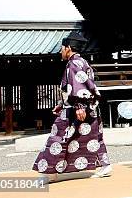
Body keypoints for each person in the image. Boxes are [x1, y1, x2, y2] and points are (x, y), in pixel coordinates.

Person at [33, 32, 111, 181]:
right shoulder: (82, 62)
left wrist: (79, 106)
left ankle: (50, 173)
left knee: (58, 137)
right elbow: (73, 88)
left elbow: (79, 87)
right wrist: (62, 104)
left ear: (68, 48)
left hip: (78, 108)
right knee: (91, 137)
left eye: (62, 48)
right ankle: (105, 165)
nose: (61, 51)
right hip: (83, 107)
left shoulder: (74, 63)